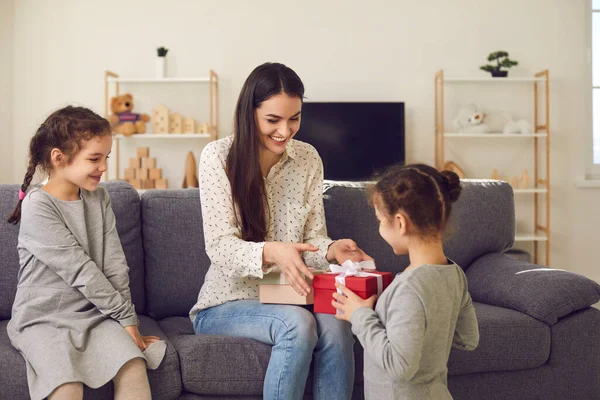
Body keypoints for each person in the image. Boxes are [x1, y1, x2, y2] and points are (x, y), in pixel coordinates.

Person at [190, 62, 372, 400]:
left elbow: (313, 237)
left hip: (292, 295)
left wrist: (332, 251)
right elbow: (219, 246)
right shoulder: (217, 157)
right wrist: (272, 251)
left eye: (294, 118)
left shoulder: (308, 158)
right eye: (273, 120)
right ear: (250, 113)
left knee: (337, 324)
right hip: (227, 301)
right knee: (298, 326)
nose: (285, 131)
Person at [7, 106, 165, 400]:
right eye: (94, 158)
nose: (103, 166)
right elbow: (81, 270)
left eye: (106, 157)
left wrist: (128, 322)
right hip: (43, 319)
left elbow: (115, 264)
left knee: (134, 366)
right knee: (66, 384)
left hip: (93, 314)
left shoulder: (99, 198)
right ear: (58, 157)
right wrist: (125, 317)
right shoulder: (38, 205)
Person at [332, 164, 479, 400]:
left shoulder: (409, 289)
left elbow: (399, 367)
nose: (379, 228)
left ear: (400, 223)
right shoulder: (454, 274)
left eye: (380, 221)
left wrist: (360, 316)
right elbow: (468, 338)